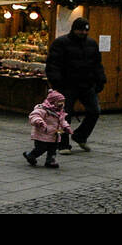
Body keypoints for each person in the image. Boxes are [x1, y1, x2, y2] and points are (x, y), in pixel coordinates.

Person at [44, 17, 106, 152]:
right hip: (66, 85)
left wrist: (100, 79)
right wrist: (56, 82)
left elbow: (97, 65)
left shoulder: (92, 44)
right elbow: (53, 64)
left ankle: (80, 136)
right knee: (64, 115)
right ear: (74, 29)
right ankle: (63, 144)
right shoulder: (61, 43)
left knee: (95, 111)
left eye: (86, 30)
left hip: (87, 84)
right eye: (81, 30)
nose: (83, 33)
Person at [24, 89, 71, 168]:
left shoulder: (60, 111)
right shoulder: (43, 109)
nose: (62, 104)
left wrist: (66, 126)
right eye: (59, 101)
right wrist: (39, 121)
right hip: (42, 133)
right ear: (52, 102)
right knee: (41, 148)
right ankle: (31, 155)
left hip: (55, 134)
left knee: (53, 149)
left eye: (63, 102)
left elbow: (62, 120)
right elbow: (34, 115)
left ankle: (50, 161)